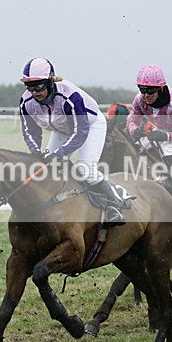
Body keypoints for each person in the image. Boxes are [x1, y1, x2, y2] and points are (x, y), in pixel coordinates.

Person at [18, 57, 126, 226]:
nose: (34, 92)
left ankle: (115, 203)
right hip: (63, 129)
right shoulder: (26, 102)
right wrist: (36, 151)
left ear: (50, 82)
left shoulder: (69, 96)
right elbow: (29, 131)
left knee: (85, 170)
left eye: (38, 86)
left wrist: (60, 153)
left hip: (90, 125)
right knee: (45, 167)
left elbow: (80, 131)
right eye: (30, 87)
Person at [126, 65, 172, 209]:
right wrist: (134, 130)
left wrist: (165, 136)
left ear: (160, 89)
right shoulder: (139, 100)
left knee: (167, 148)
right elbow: (131, 121)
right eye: (142, 90)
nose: (146, 95)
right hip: (164, 128)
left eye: (151, 91)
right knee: (140, 144)